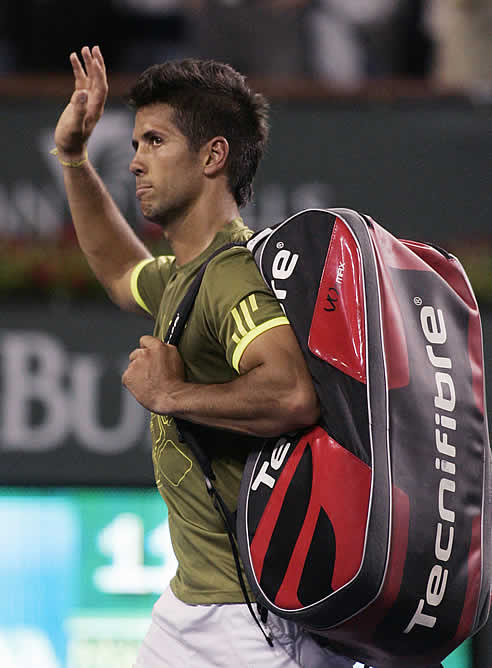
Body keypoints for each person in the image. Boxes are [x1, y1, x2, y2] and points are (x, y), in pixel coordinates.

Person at [52, 45, 366, 667]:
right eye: (137, 143)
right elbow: (121, 272)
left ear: (213, 156)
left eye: (155, 142)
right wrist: (72, 157)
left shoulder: (231, 274)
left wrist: (171, 396)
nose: (136, 162)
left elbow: (288, 392)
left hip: (257, 627)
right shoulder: (188, 275)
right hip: (193, 608)